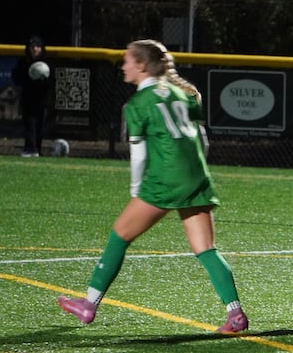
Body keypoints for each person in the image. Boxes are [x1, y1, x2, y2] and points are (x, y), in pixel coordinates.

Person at [57, 39, 249, 333]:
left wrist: (137, 190)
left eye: (127, 61)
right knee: (206, 249)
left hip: (164, 181)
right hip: (196, 177)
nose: (123, 66)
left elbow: (139, 154)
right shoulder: (184, 96)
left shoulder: (137, 104)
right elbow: (203, 142)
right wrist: (190, 172)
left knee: (119, 236)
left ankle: (89, 304)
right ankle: (235, 313)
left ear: (142, 66)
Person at [11, 35, 51, 157]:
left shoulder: (47, 63)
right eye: (32, 46)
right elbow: (16, 77)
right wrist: (28, 77)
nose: (35, 49)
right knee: (30, 125)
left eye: (38, 46)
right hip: (28, 99)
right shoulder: (24, 62)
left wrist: (42, 80)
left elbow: (51, 82)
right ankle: (30, 149)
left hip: (42, 100)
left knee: (39, 127)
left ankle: (37, 149)